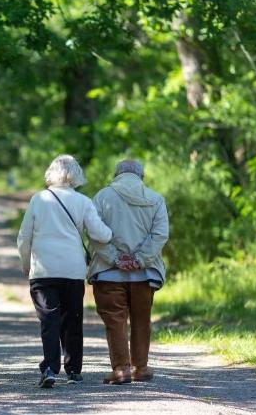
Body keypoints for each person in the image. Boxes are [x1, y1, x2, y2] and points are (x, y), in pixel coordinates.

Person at [17, 155, 112, 388]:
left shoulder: (38, 200)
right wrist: (112, 233)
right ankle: (74, 371)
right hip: (72, 270)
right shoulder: (83, 201)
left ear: (51, 173)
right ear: (76, 174)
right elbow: (101, 235)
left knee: (49, 320)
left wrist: (25, 262)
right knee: (72, 320)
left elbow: (24, 237)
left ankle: (49, 368)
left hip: (43, 270)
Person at [88, 159, 169, 385]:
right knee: (142, 319)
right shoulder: (155, 199)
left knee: (115, 321)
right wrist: (139, 259)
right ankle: (140, 367)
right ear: (141, 177)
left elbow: (94, 234)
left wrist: (116, 258)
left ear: (116, 175)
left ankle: (122, 369)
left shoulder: (102, 197)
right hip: (144, 274)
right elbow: (160, 234)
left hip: (108, 272)